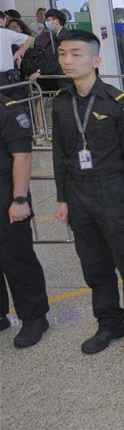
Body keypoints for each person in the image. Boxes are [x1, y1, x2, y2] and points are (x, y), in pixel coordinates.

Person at [51, 30, 124, 356]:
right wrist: (62, 197)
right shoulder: (61, 103)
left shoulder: (120, 103)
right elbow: (60, 154)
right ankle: (109, 322)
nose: (68, 60)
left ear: (96, 60)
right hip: (78, 193)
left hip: (113, 190)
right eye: (64, 53)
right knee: (94, 265)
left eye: (76, 54)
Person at [0, 92, 49, 348]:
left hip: (6, 196)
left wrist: (19, 200)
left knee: (16, 258)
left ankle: (34, 317)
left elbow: (23, 156)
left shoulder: (10, 112)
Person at [33, 9, 67, 93]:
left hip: (63, 75)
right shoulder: (58, 35)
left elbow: (57, 59)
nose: (46, 22)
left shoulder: (62, 37)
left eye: (48, 20)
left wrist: (40, 71)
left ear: (56, 21)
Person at [0, 11, 34, 91]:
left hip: (7, 75)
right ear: (1, 20)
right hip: (7, 76)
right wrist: (16, 55)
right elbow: (30, 39)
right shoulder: (6, 33)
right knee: (11, 101)